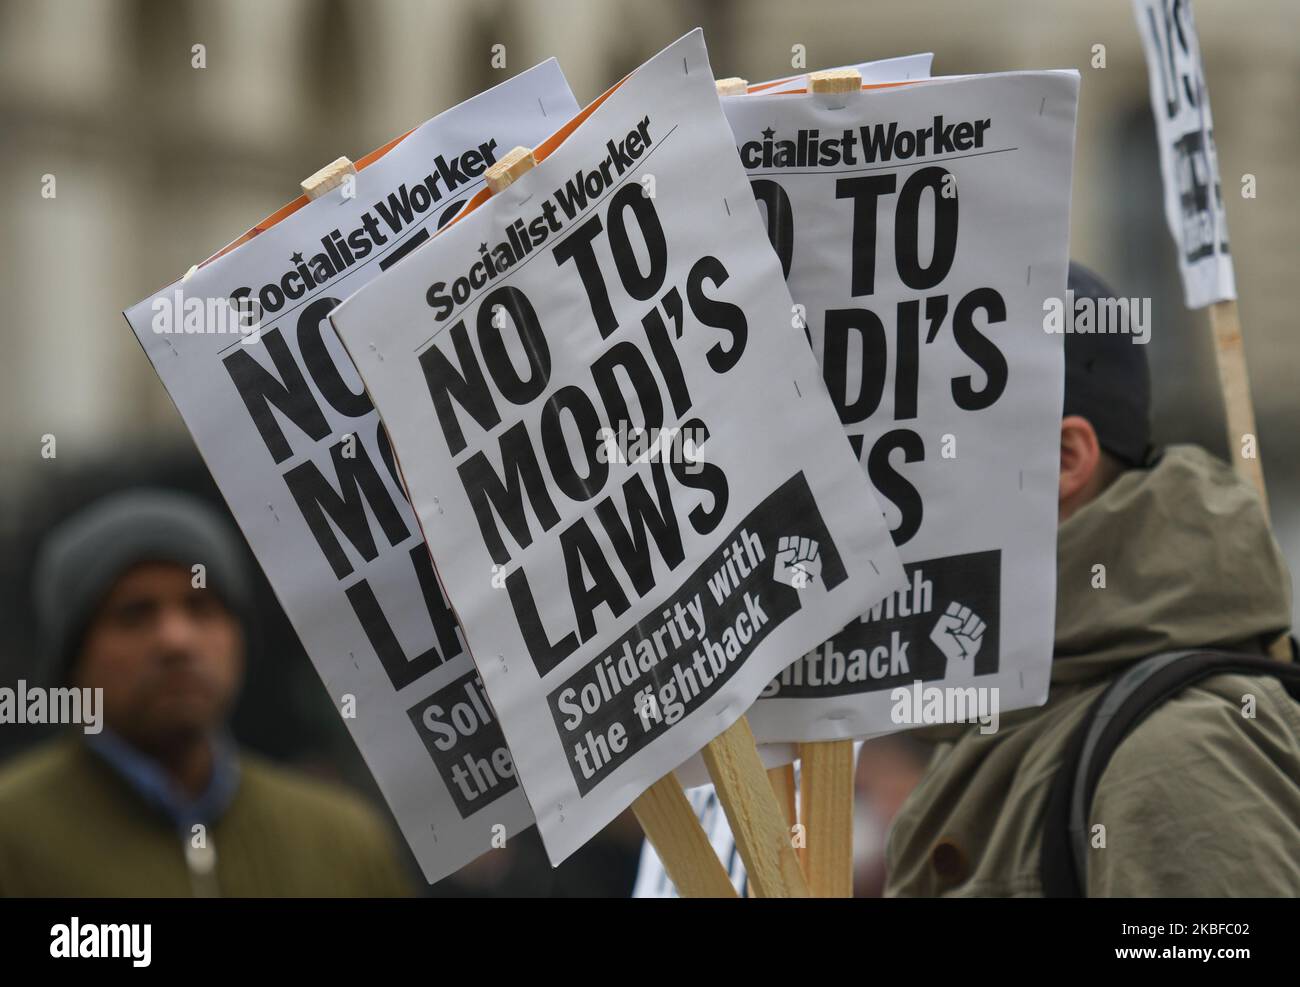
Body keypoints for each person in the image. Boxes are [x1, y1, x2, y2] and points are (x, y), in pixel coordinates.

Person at [884, 264, 1300, 896]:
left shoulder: (1173, 763)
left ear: (1062, 461)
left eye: (915, 454)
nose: (878, 502)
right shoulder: (1020, 707)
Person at [0, 489, 414, 897]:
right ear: (71, 657)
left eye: (201, 608)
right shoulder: (14, 839)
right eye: (134, 614)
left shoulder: (342, 839)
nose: (176, 640)